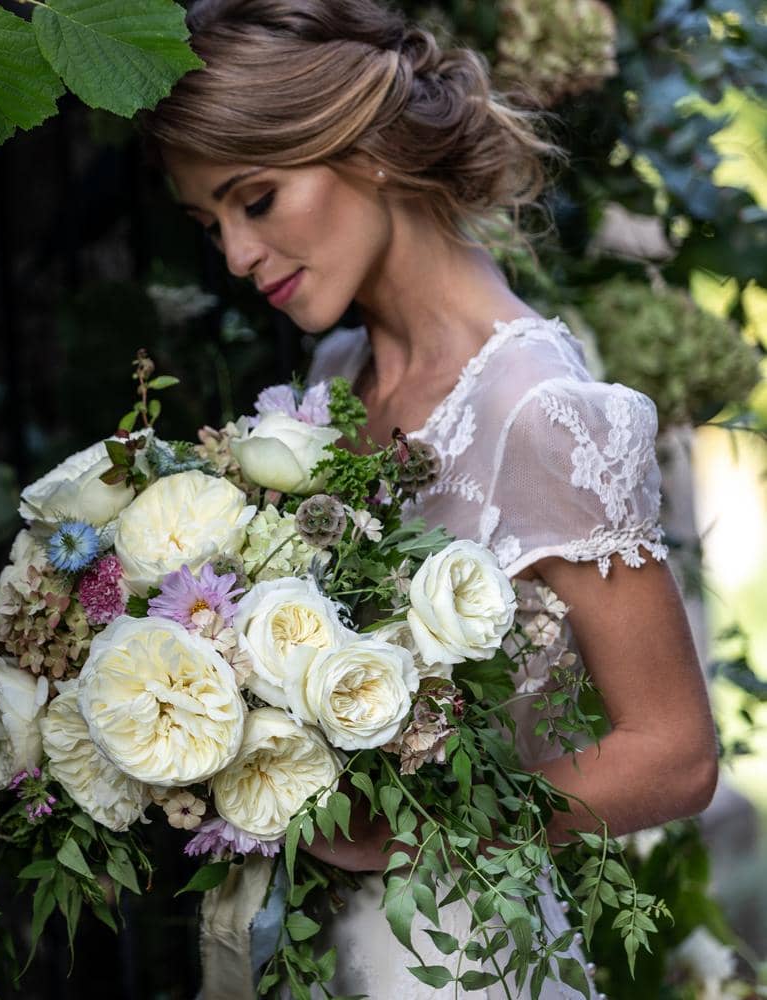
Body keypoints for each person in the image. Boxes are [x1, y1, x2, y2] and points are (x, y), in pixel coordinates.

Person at [134, 0, 720, 996]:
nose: (234, 256)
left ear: (363, 150)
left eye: (257, 200)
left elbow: (673, 753)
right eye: (211, 223)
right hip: (316, 954)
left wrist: (421, 823)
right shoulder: (330, 378)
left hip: (463, 958)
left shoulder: (545, 411)